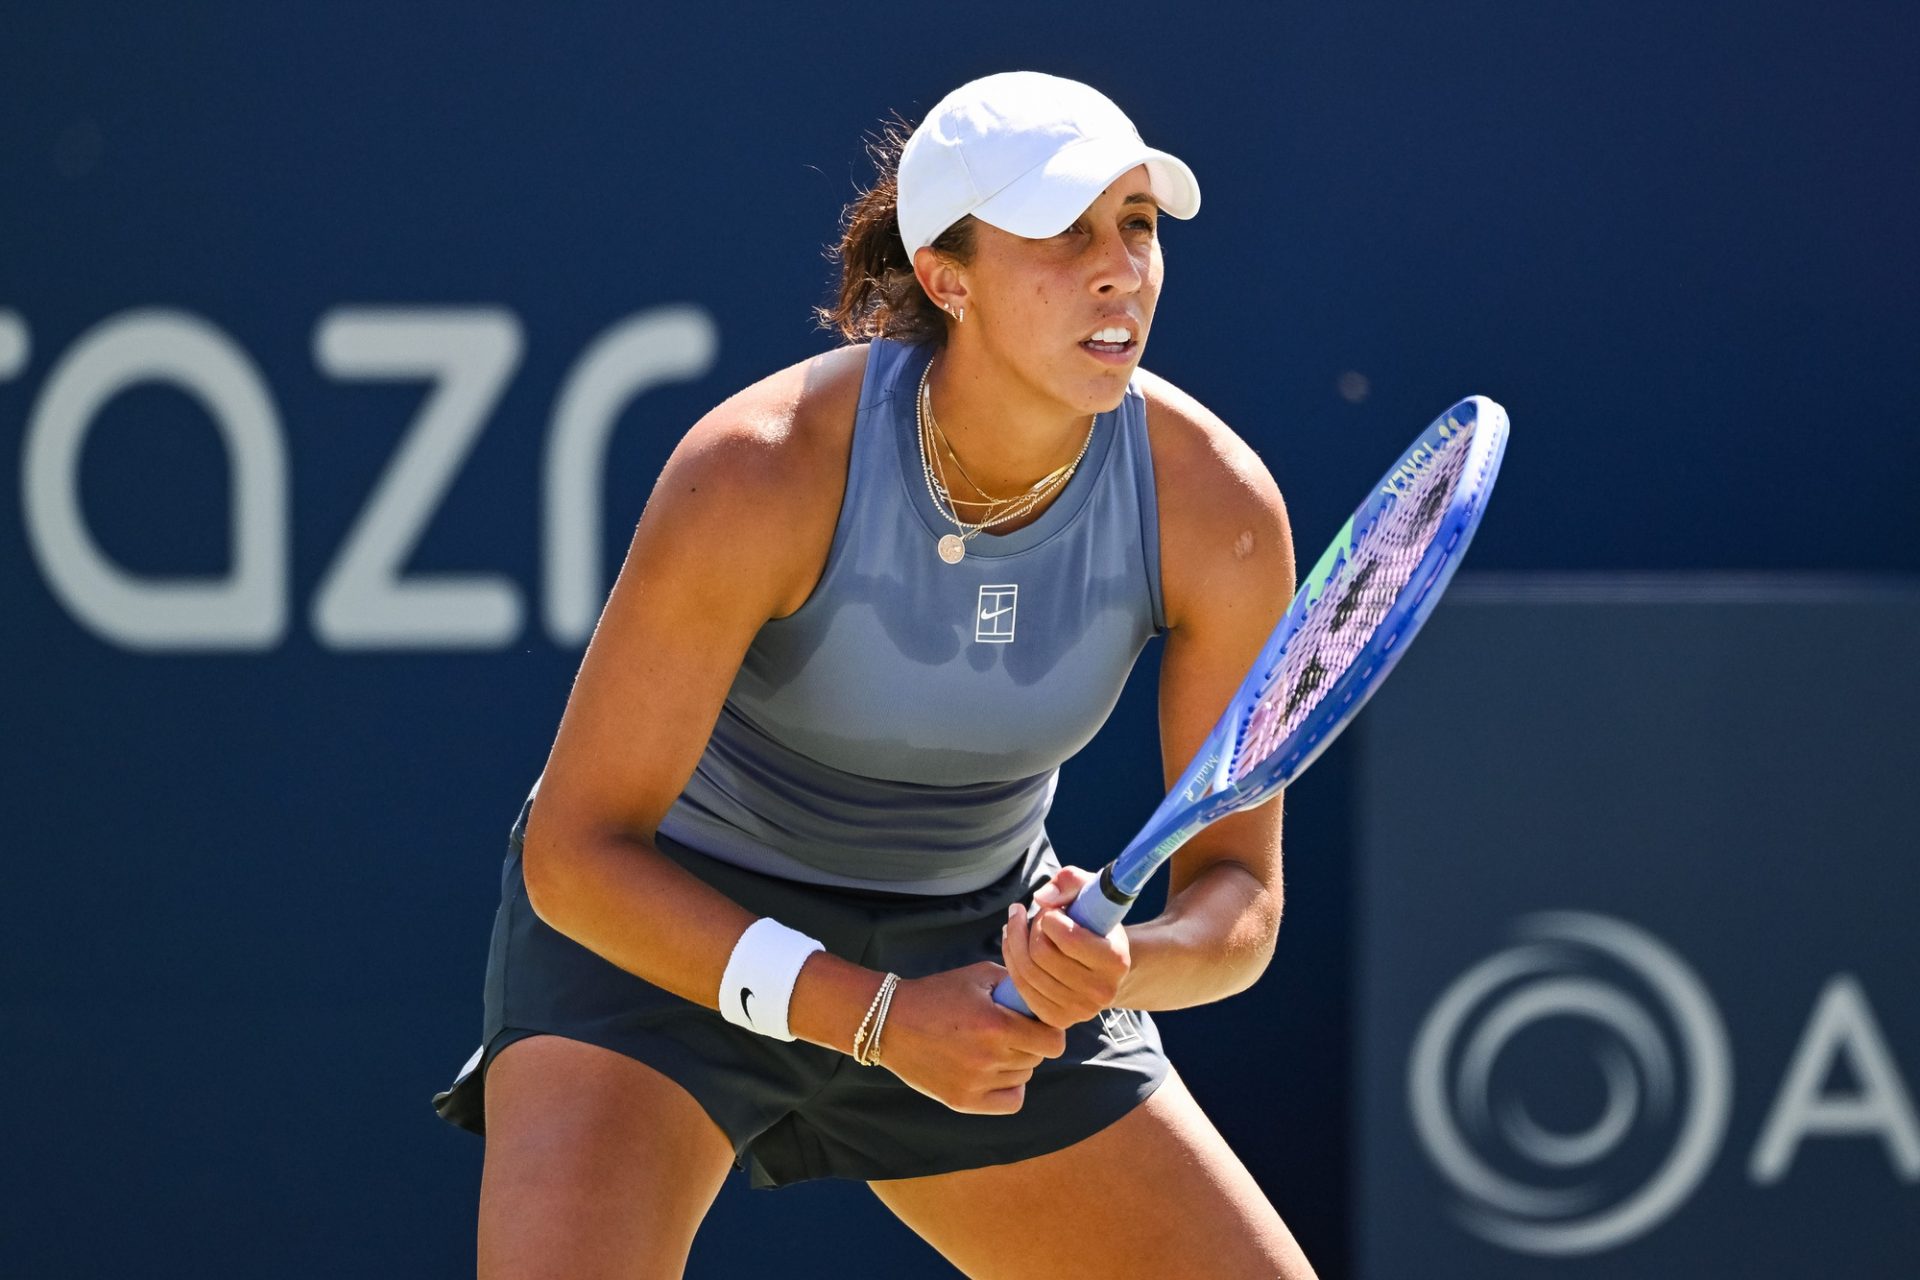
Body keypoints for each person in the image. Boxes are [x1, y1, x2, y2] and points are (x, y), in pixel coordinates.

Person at [434, 69, 1318, 1280]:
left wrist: (1121, 964)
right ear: (946, 277)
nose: (1121, 267)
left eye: (1138, 224)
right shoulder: (762, 470)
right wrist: (874, 1015)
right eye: (1065, 232)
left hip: (975, 949)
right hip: (670, 932)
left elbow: (1241, 902)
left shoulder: (1215, 506)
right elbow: (575, 856)